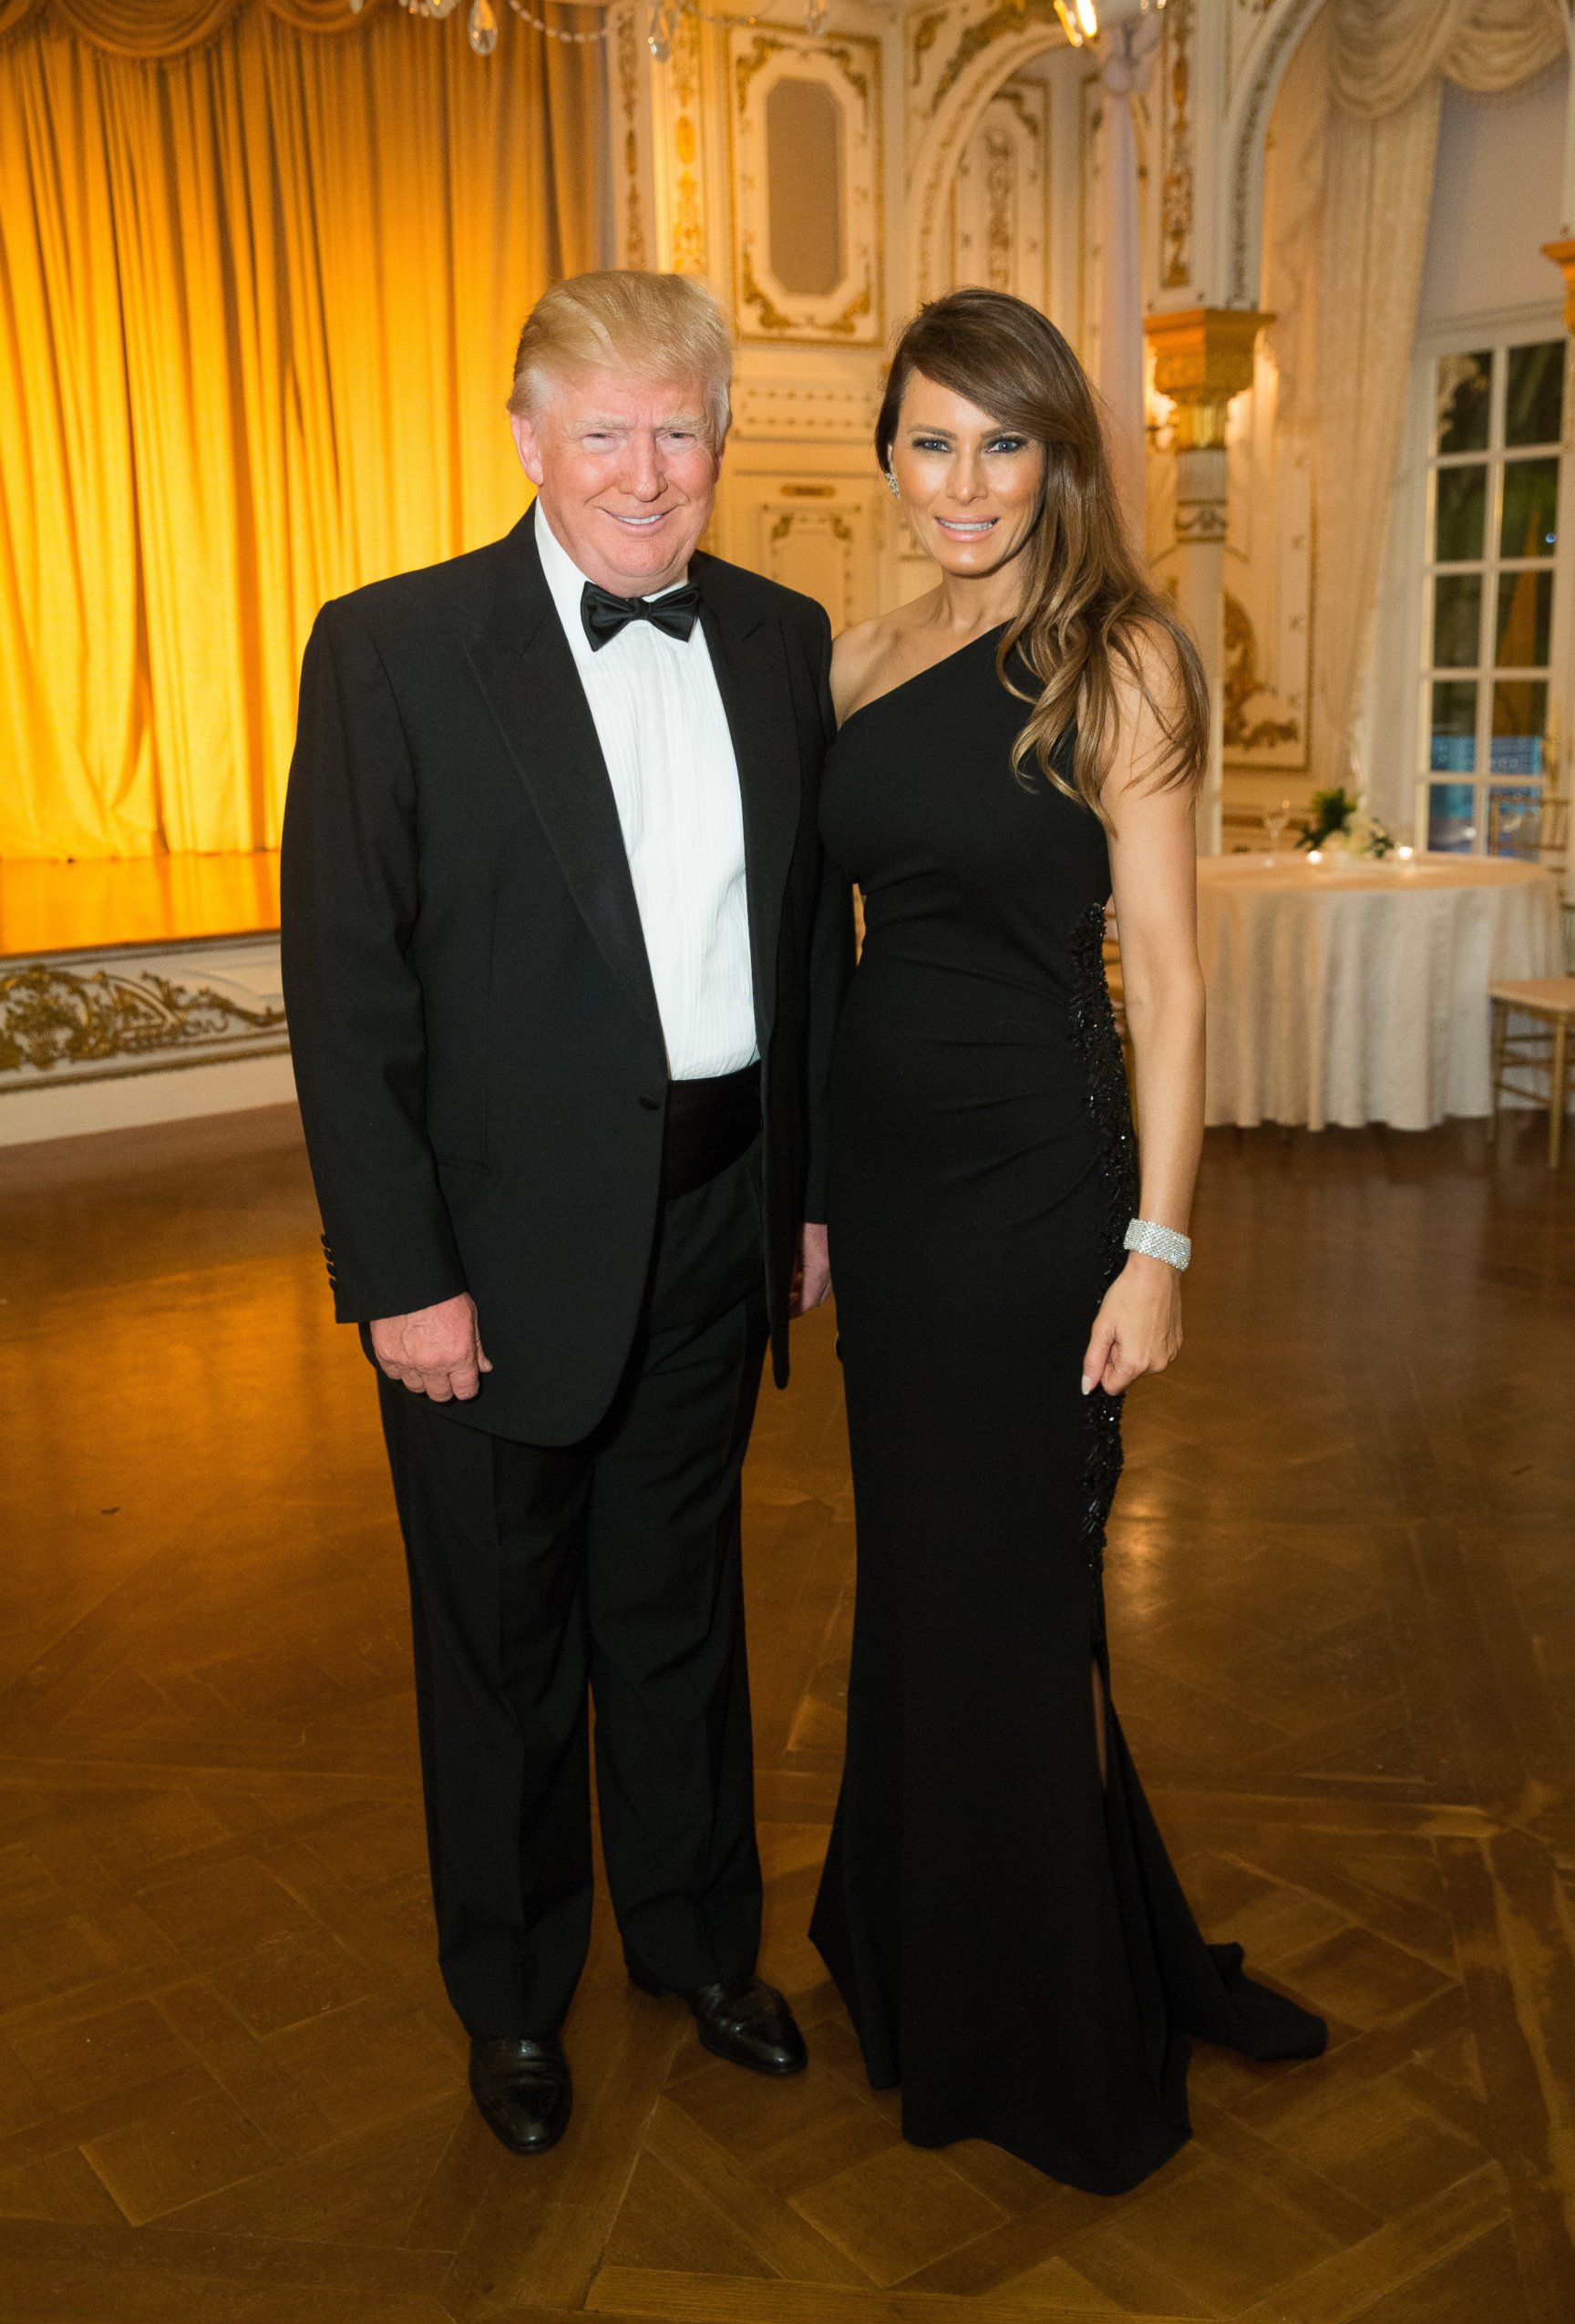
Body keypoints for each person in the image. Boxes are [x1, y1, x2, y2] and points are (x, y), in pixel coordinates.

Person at [281, 270, 849, 2159]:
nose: (644, 469)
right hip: (492, 1261)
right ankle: (513, 2002)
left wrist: (804, 1199)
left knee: (681, 1617)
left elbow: (805, 959)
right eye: (601, 429)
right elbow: (348, 996)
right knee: (503, 1648)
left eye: (678, 427)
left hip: (714, 1228)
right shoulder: (390, 652)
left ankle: (696, 1942)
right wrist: (402, 1278)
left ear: (718, 442)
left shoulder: (779, 638)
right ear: (524, 440)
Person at [808, 287, 1325, 2195]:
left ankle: (1046, 2018)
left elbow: (1173, 988)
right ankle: (922, 1950)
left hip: (1039, 1191)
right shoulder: (861, 657)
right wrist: (807, 1202)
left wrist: (1160, 1247)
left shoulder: (1123, 661)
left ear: (1060, 461)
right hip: (887, 1187)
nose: (964, 481)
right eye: (931, 439)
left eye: (1002, 443)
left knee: (1019, 1601)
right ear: (888, 452)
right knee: (919, 1590)